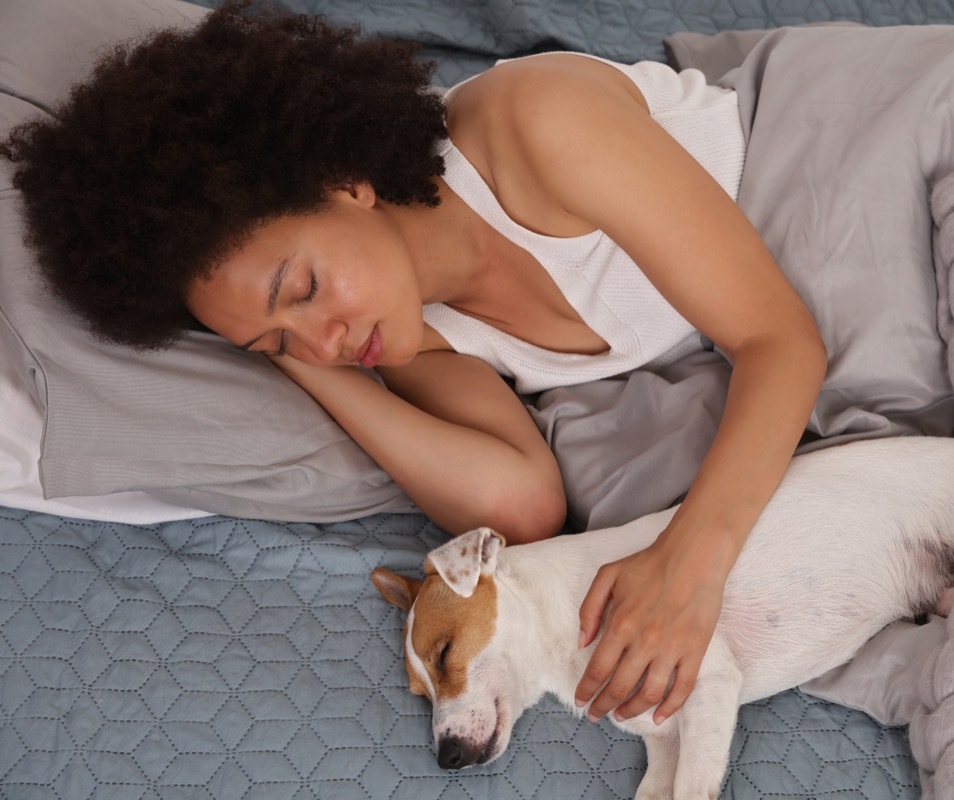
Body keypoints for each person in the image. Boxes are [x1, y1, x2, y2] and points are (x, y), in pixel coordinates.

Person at [0, 1, 826, 726]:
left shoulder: (537, 127)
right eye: (278, 342)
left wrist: (689, 566)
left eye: (307, 287)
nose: (325, 336)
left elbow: (779, 340)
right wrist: (303, 364)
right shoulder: (411, 336)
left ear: (348, 182)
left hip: (834, 162)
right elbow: (523, 503)